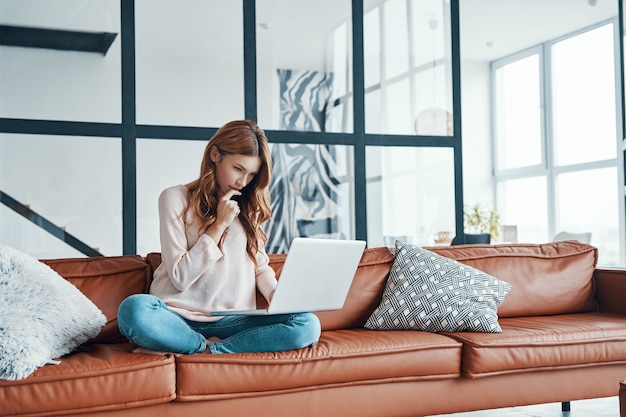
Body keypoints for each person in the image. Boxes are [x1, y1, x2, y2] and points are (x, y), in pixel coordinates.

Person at [117, 120, 321, 355]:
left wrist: (276, 295)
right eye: (238, 169)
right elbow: (180, 277)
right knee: (133, 310)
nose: (243, 182)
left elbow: (259, 267)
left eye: (252, 174)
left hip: (231, 321)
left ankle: (209, 350)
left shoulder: (249, 207)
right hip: (174, 316)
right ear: (215, 154)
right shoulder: (174, 198)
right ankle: (197, 344)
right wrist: (219, 224)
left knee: (307, 324)